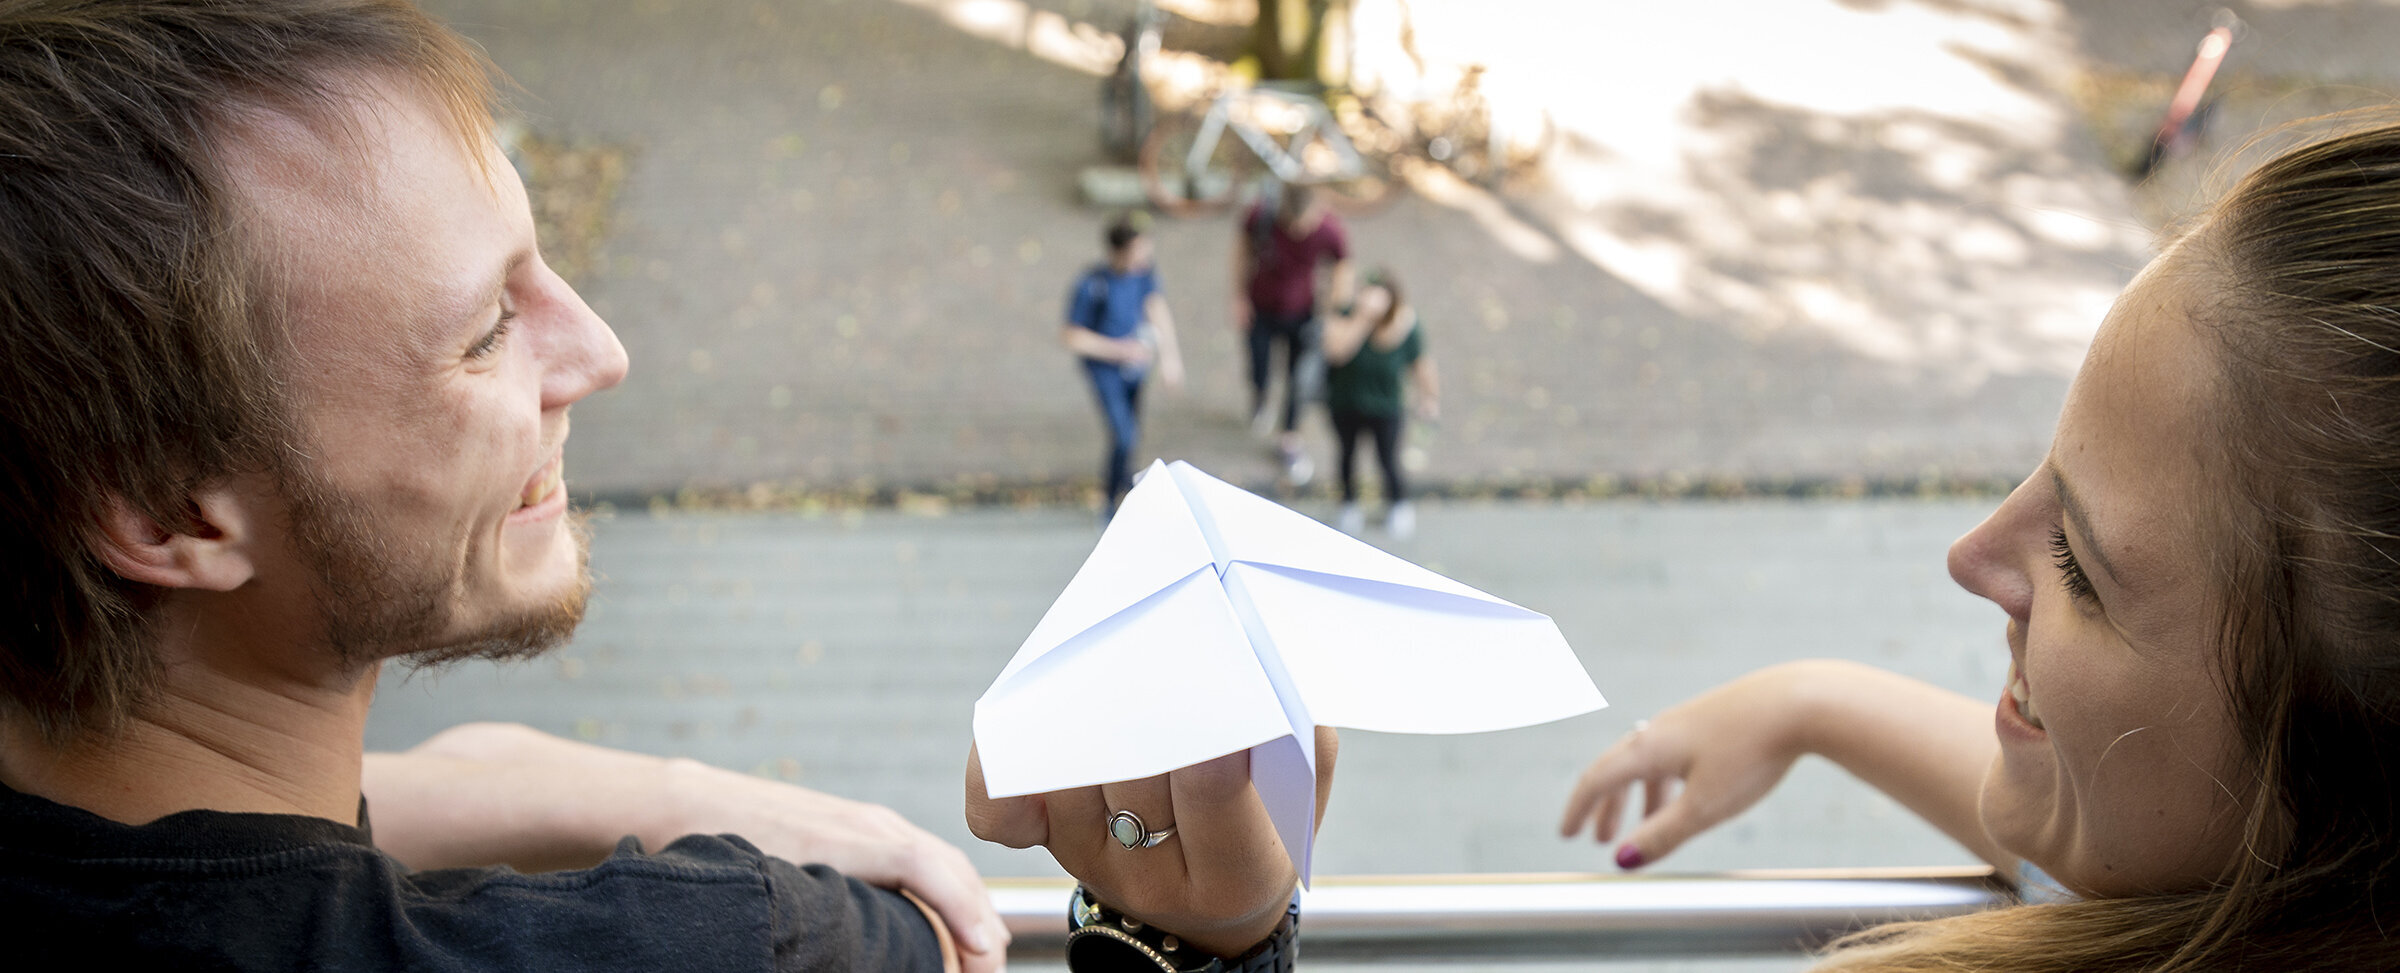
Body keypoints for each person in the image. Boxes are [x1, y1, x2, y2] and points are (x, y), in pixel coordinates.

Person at [0, 2, 1322, 970]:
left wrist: (552, 783)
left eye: (546, 266)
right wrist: (1193, 930)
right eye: (480, 332)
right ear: (169, 514)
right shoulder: (721, 949)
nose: (598, 353)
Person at [1558, 122, 2400, 970]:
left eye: (2078, 565)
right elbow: (2101, 817)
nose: (1970, 555)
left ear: (2329, 798)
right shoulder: (2226, 882)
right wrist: (1811, 702)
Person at [1064, 214, 1184, 520]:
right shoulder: (1093, 283)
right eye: (1137, 251)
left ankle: (1124, 490)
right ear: (1118, 252)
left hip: (1136, 369)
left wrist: (1170, 358)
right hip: (1106, 371)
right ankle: (1112, 497)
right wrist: (1119, 351)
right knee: (1124, 434)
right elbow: (1072, 336)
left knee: (1131, 432)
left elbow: (1155, 307)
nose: (1144, 258)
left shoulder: (1144, 273)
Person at [1235, 182, 1354, 486]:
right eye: (1293, 225)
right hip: (1261, 307)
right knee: (1259, 364)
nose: (1299, 231)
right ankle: (1260, 397)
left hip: (1302, 312)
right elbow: (1241, 251)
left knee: (1298, 377)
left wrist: (1334, 316)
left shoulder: (1330, 229)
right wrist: (1238, 296)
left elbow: (1343, 268)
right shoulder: (1260, 217)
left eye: (1306, 224)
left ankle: (1289, 435)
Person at [1320, 269, 1438, 539]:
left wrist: (1429, 398)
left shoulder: (1406, 325)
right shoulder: (1346, 315)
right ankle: (1348, 503)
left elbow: (1422, 365)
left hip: (1386, 408)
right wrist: (1363, 319)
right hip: (1345, 404)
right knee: (1346, 455)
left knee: (1387, 458)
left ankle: (1398, 503)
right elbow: (1336, 352)